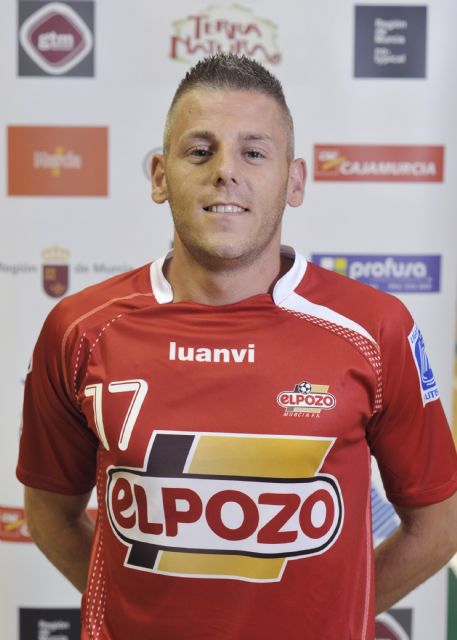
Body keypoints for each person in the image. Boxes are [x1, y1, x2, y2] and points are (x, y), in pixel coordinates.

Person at [17, 53, 457, 640]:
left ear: (294, 181)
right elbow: (49, 515)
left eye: (253, 152)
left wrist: (332, 613)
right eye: (200, 150)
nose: (226, 171)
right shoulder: (80, 329)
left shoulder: (375, 329)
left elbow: (438, 524)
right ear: (159, 177)